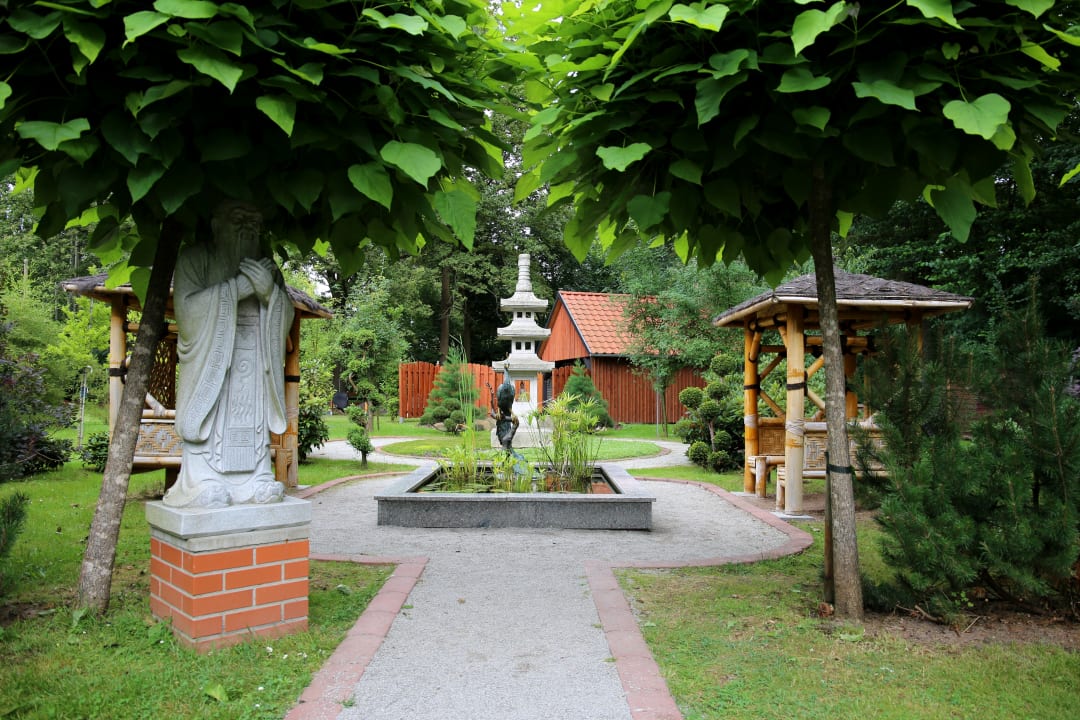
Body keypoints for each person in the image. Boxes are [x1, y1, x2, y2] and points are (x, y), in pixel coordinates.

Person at [162, 201, 294, 508]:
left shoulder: (268, 267)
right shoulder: (195, 259)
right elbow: (187, 311)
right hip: (214, 361)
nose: (248, 227)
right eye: (239, 218)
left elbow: (284, 313)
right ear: (216, 223)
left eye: (255, 221)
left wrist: (269, 293)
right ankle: (203, 481)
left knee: (253, 417)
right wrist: (238, 288)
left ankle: (257, 477)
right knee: (214, 420)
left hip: (255, 363)